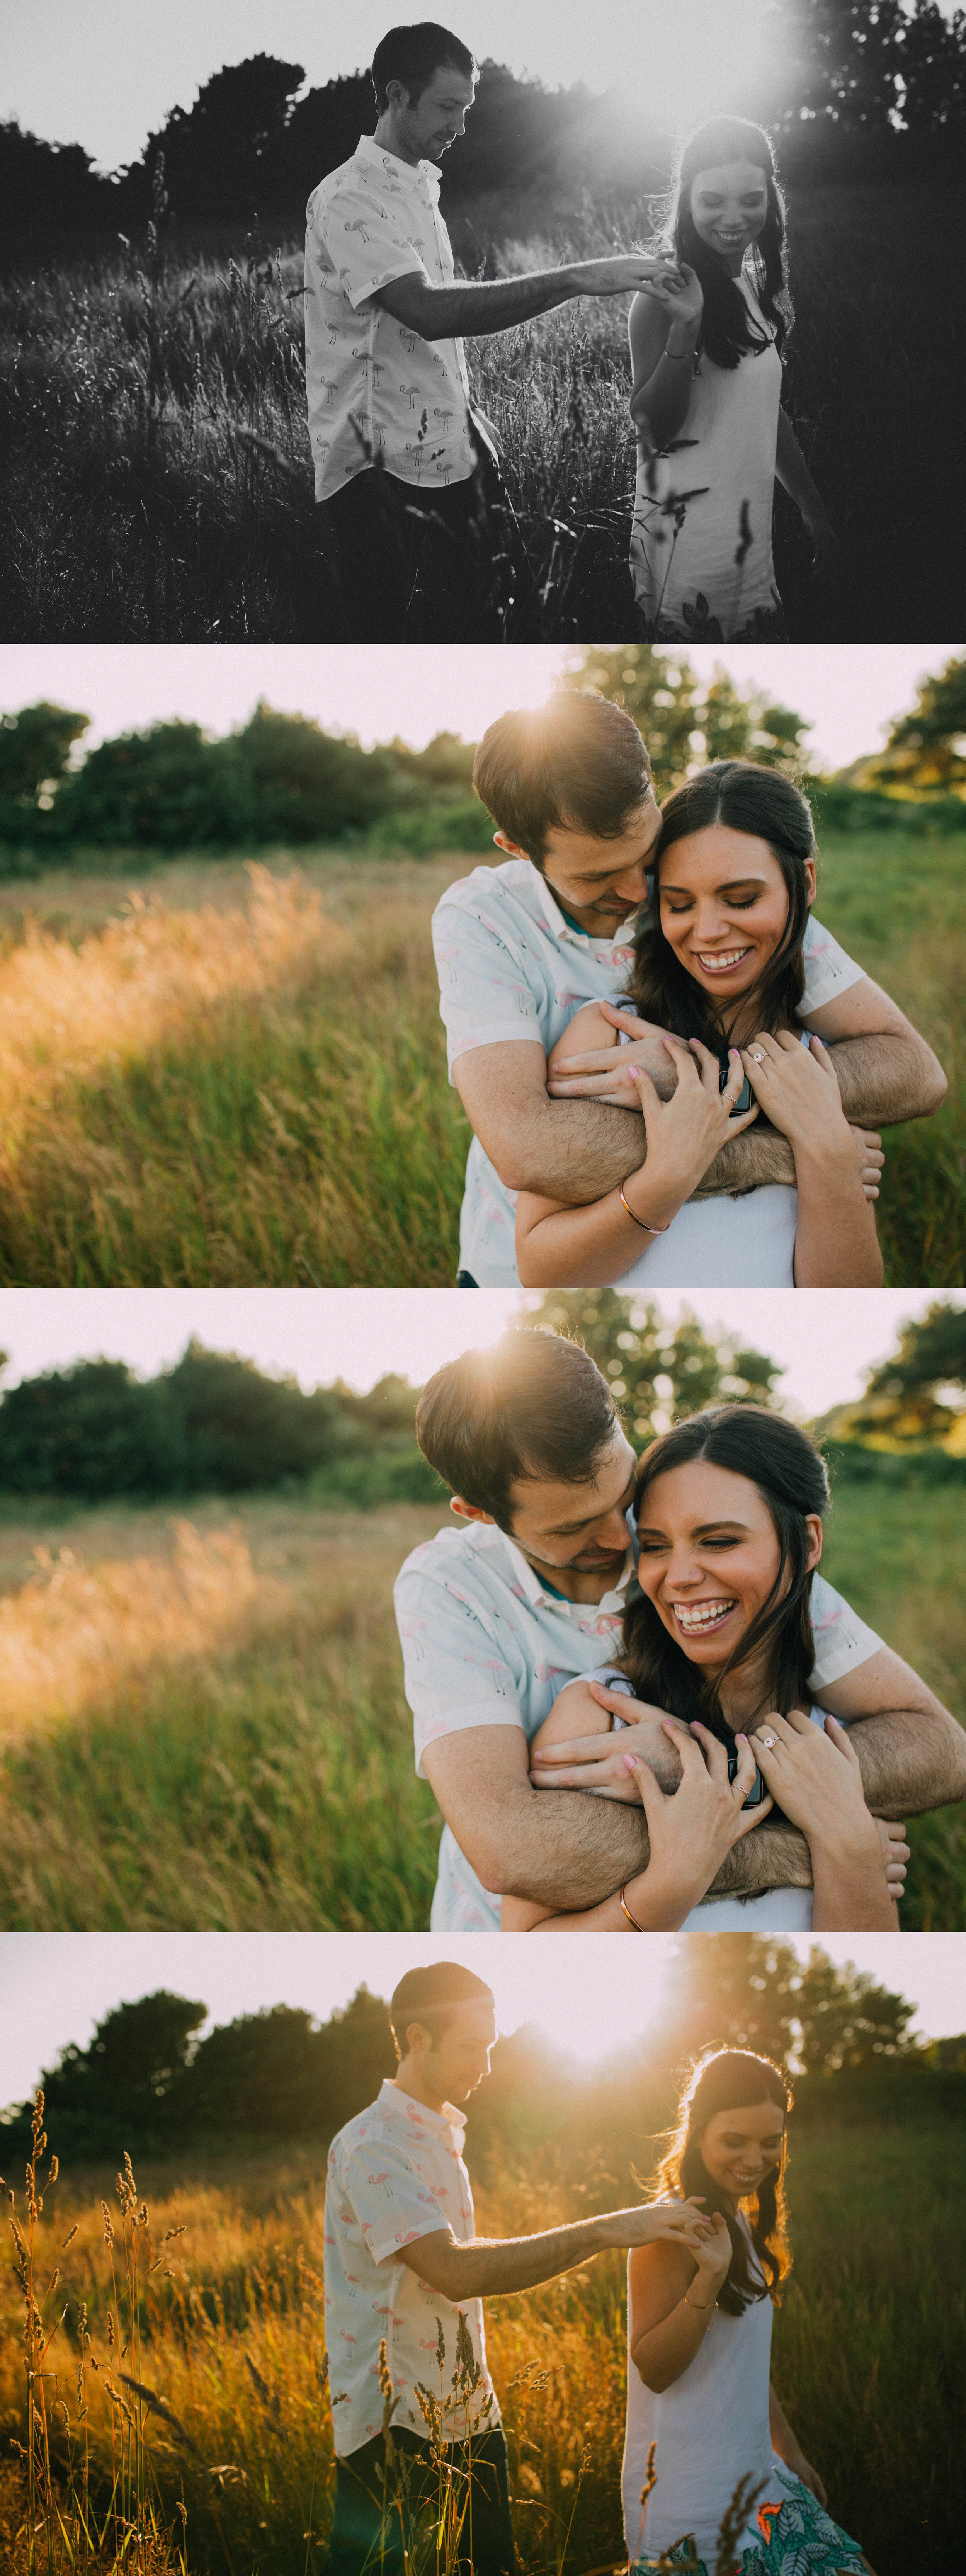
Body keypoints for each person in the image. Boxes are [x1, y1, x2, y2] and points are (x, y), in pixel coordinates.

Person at [393, 1330, 966, 1930]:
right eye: (575, 1529)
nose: (626, 1539)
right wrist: (808, 1849)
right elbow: (513, 1849)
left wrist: (701, 1766)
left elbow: (939, 1751)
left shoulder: (693, 1539)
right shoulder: (450, 1589)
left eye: (625, 1496)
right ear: (480, 1513)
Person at [431, 694, 946, 1286]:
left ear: (653, 792)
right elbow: (529, 1150)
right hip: (521, 1268)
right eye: (596, 876)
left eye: (645, 855)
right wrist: (787, 1153)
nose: (636, 891)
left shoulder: (712, 888)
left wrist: (715, 1081)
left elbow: (914, 1071)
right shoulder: (481, 921)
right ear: (518, 850)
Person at [324, 1960, 714, 2576]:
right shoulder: (373, 2144)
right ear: (417, 2037)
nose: (485, 2064)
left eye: (492, 2046)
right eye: (471, 2046)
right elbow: (453, 2270)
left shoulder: (442, 2135)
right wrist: (607, 2229)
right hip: (394, 2430)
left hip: (471, 2414)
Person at [306, 23, 680, 640]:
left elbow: (422, 344)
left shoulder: (420, 187)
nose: (460, 126)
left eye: (466, 109)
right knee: (380, 635)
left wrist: (468, 415)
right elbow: (428, 311)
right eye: (447, 107)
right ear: (397, 96)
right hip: (375, 463)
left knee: (507, 611)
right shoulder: (347, 195)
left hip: (451, 441)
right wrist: (579, 278)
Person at [500, 1405, 902, 1932]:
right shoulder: (601, 1716)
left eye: (718, 1541)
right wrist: (671, 1881)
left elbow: (864, 1968)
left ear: (806, 1544)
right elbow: (525, 1949)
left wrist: (848, 1846)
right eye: (657, 1546)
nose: (680, 1576)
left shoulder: (843, 1739)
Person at [514, 761, 885, 1287]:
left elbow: (848, 1298)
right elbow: (540, 1270)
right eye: (679, 904)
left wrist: (827, 1153)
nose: (708, 931)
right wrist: (666, 1180)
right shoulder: (610, 1035)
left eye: (741, 900)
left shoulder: (823, 1062)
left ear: (803, 882)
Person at [623, 2050, 875, 2574]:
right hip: (694, 2503)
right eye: (734, 2140)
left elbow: (740, 2364)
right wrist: (709, 2280)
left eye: (771, 2141)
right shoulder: (668, 2233)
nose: (755, 2158)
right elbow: (655, 2369)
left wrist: (791, 2450)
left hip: (760, 2473)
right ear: (697, 2133)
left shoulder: (738, 2219)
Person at [628, 118, 836, 642]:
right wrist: (686, 328)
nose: (733, 217)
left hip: (750, 528)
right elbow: (654, 430)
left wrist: (814, 512)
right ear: (688, 201)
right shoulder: (664, 290)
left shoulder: (755, 284)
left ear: (770, 199)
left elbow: (767, 406)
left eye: (751, 198)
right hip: (687, 538)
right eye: (713, 199)